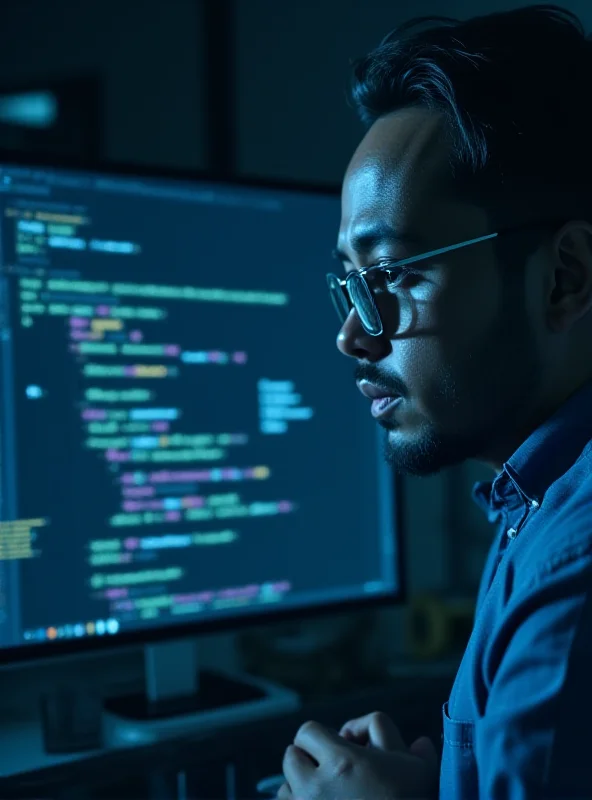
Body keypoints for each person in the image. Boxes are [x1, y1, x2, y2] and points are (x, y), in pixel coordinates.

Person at [277, 5, 592, 799]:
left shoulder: (573, 562)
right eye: (349, 283)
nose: (354, 334)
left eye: (393, 276)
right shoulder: (535, 498)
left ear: (565, 278)